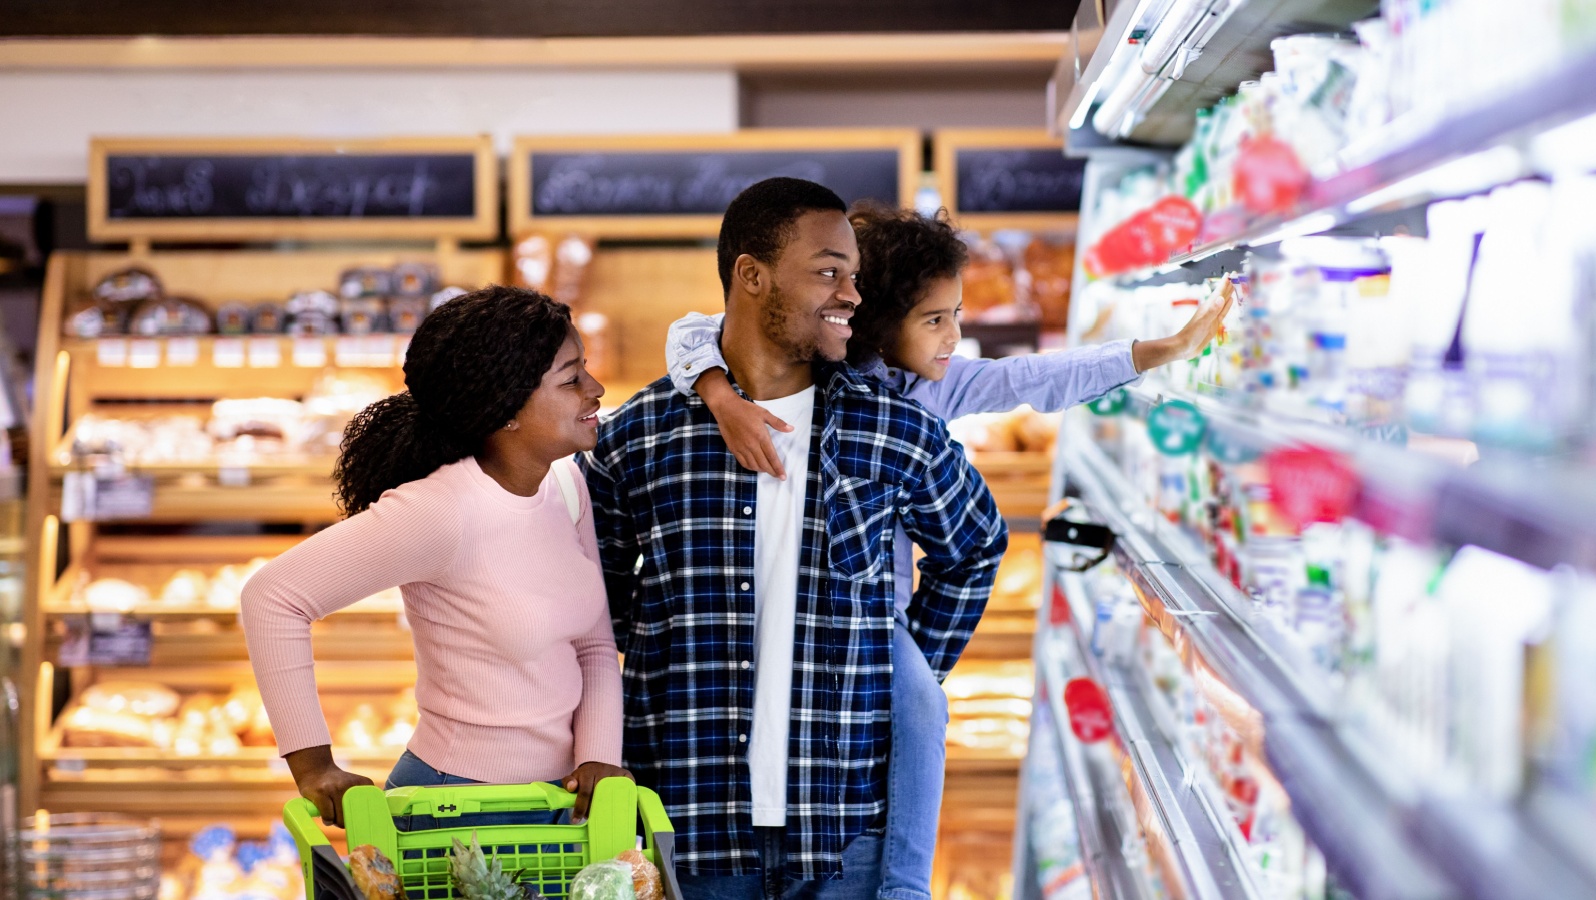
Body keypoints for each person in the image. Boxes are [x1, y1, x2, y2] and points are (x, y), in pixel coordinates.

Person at [664, 203, 1232, 900]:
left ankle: (904, 883)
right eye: (935, 319)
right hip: (777, 603)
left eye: (957, 315)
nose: (954, 337)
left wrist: (1157, 352)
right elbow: (693, 332)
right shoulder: (809, 364)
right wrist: (718, 393)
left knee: (920, 706)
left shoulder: (934, 387)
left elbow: (1031, 380)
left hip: (875, 617)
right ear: (875, 317)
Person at [583, 178, 1008, 900]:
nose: (851, 293)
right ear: (751, 275)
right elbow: (601, 600)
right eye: (827, 272)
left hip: (844, 833)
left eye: (855, 275)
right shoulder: (642, 436)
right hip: (688, 828)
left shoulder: (893, 429)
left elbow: (973, 546)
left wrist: (903, 671)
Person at [241, 285, 629, 830]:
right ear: (507, 410)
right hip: (456, 810)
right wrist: (313, 766)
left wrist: (599, 760)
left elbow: (593, 644)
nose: (595, 389)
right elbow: (272, 597)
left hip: (560, 806)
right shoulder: (441, 511)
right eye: (570, 379)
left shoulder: (564, 485)